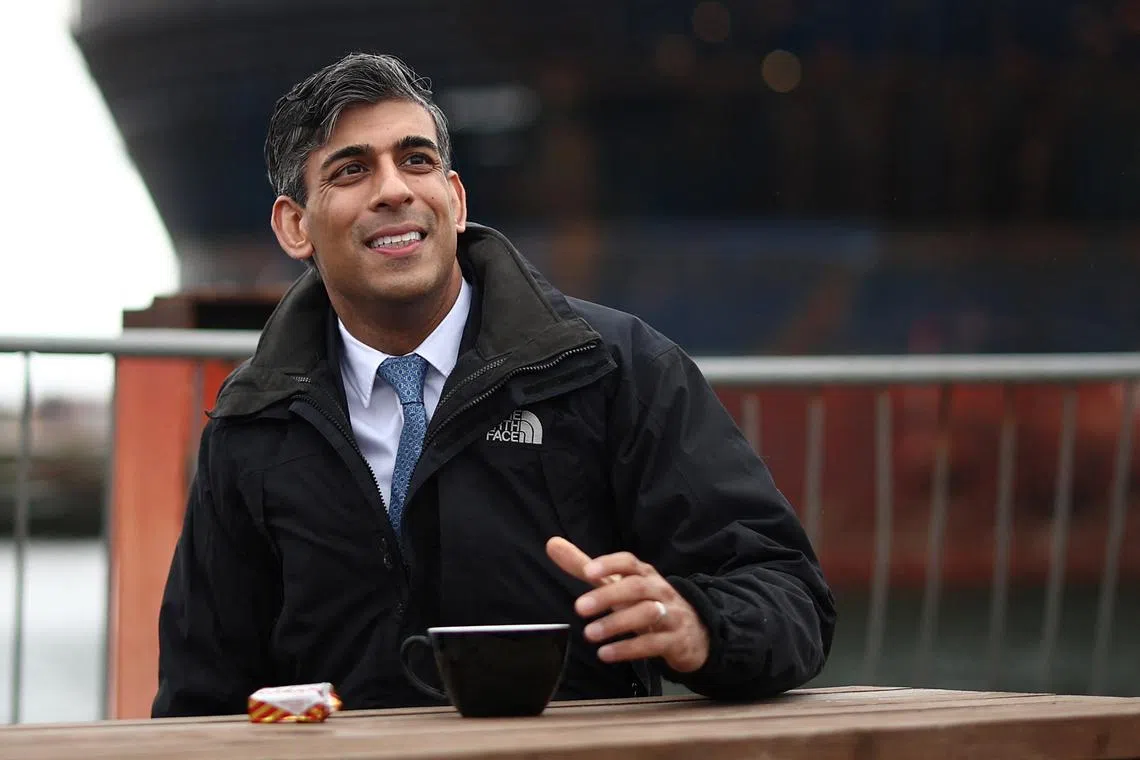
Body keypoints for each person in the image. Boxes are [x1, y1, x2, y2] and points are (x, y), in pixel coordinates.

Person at [152, 52, 836, 718]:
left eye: (416, 160)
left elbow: (788, 594)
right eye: (352, 169)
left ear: (453, 198)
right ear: (294, 225)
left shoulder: (615, 368)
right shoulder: (253, 426)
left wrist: (700, 627)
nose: (394, 189)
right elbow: (199, 700)